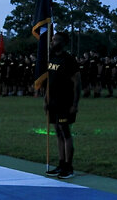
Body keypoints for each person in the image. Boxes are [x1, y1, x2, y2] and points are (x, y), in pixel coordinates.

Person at [44, 32, 81, 179]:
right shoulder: (52, 58)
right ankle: (60, 164)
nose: (52, 42)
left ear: (62, 42)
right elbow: (49, 81)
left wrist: (75, 104)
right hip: (52, 101)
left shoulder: (69, 60)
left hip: (65, 102)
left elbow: (77, 83)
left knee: (65, 132)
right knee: (58, 133)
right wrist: (45, 100)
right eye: (52, 40)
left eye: (55, 40)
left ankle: (68, 166)